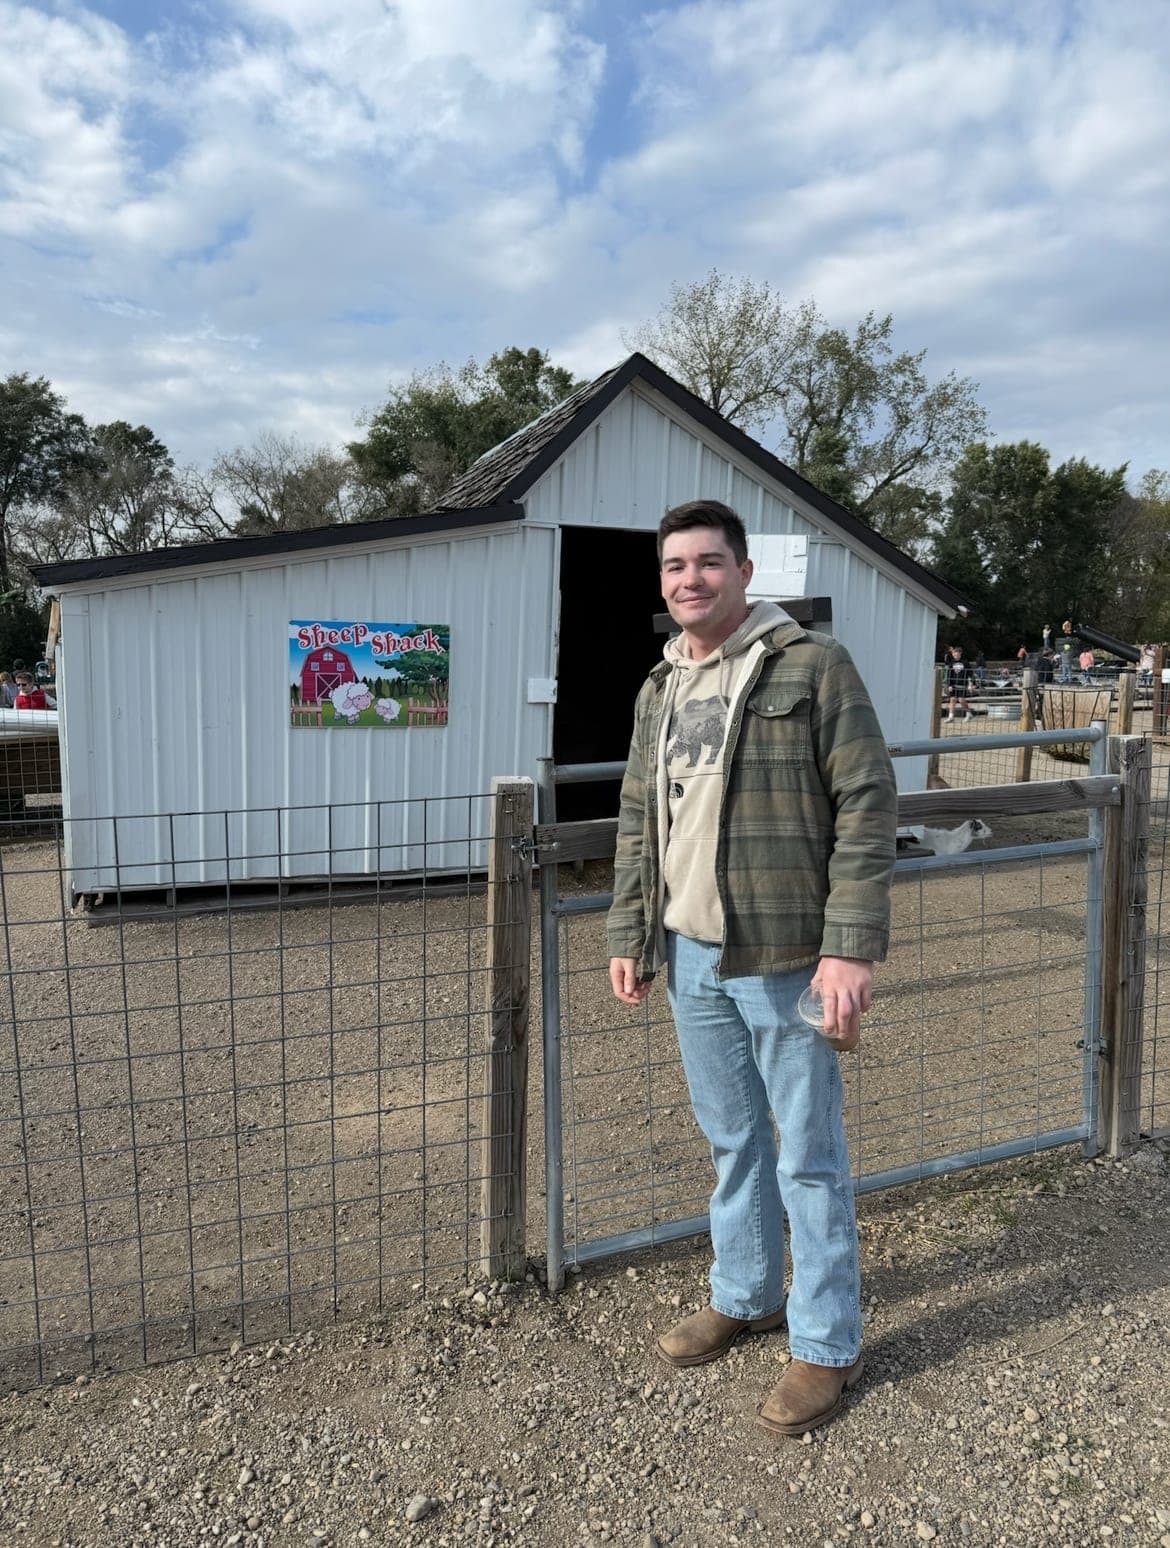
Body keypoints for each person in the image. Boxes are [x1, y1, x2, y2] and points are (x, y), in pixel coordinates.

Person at [607, 499, 896, 1437]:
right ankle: (746, 1292)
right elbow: (636, 822)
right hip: (694, 955)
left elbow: (865, 800)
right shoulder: (659, 689)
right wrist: (630, 932)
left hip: (787, 957)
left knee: (808, 1154)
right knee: (734, 1142)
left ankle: (825, 1344)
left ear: (743, 572)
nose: (690, 580)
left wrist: (849, 946)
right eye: (674, 567)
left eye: (708, 563)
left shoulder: (812, 665)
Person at [944, 644, 972, 720]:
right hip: (953, 685)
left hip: (962, 684)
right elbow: (949, 674)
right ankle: (951, 717)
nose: (955, 655)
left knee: (961, 700)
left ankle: (968, 713)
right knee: (952, 700)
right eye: (953, 654)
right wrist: (949, 685)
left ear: (960, 653)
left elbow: (970, 674)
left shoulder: (965, 662)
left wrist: (971, 684)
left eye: (956, 654)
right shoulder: (951, 663)